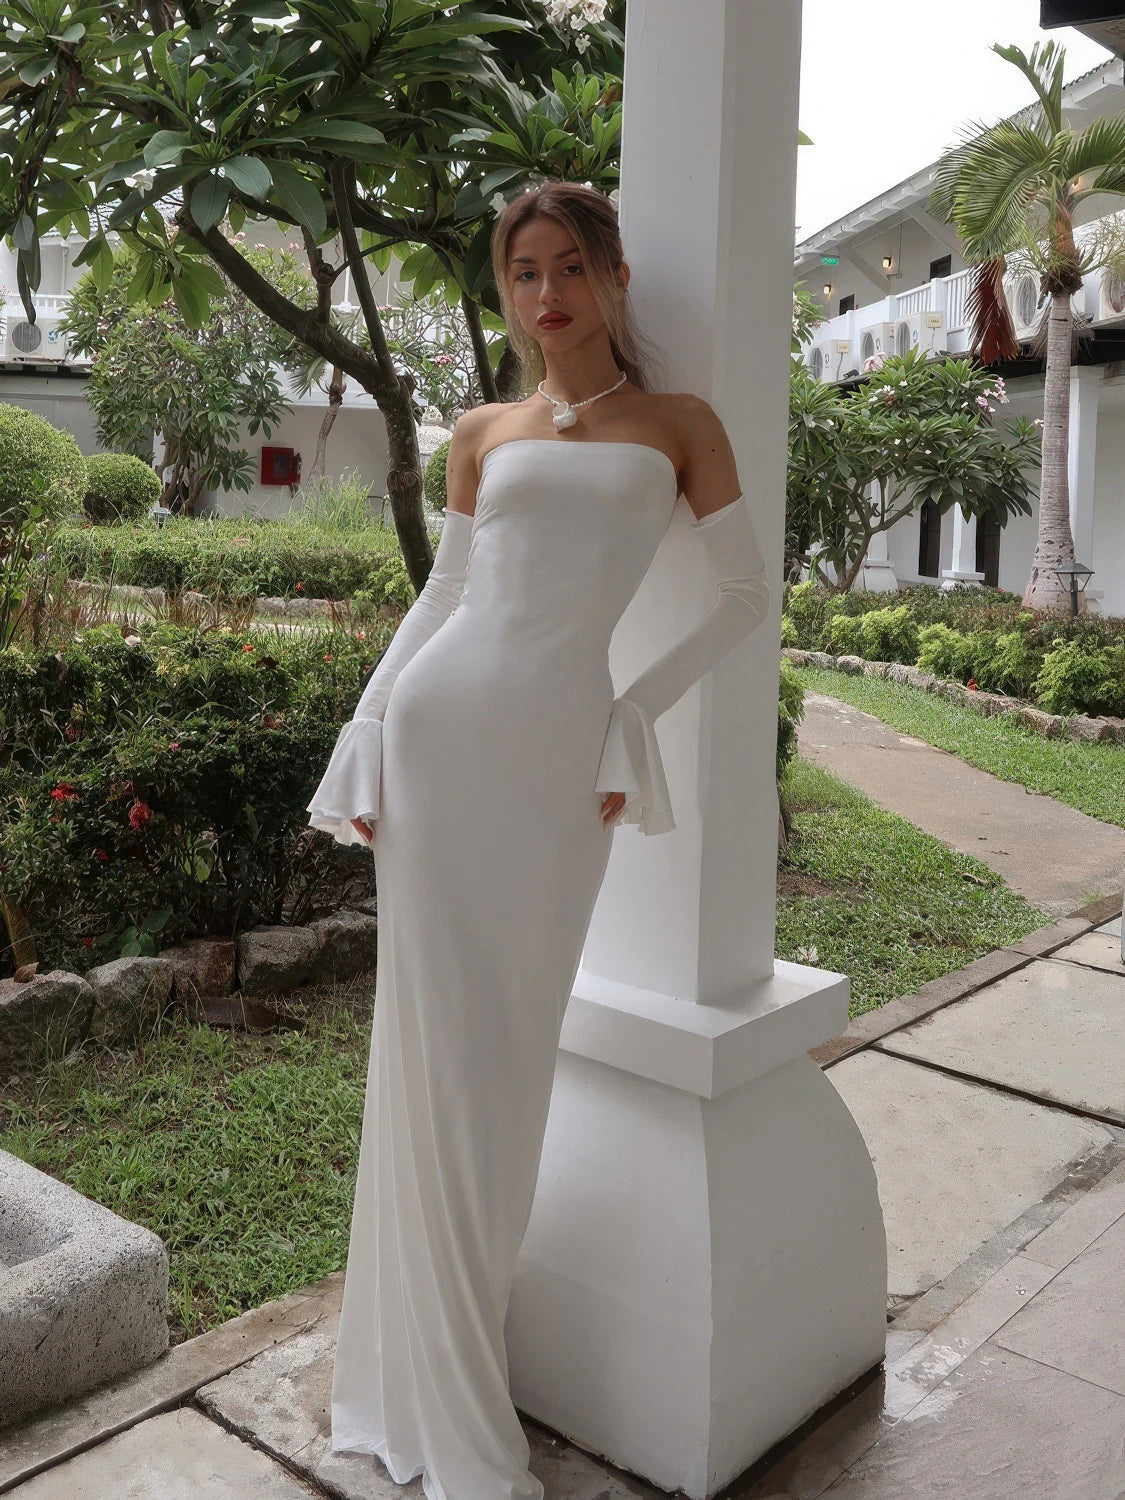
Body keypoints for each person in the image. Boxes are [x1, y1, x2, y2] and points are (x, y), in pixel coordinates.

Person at [306, 181, 772, 1500]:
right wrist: (365, 728)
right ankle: (422, 1397)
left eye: (570, 265)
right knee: (426, 1058)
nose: (548, 293)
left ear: (612, 274)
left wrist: (632, 710)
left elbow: (744, 593)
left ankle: (445, 1374)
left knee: (503, 1066)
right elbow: (444, 598)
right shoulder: (480, 430)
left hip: (559, 764)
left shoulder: (679, 427)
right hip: (441, 748)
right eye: (522, 272)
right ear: (503, 290)